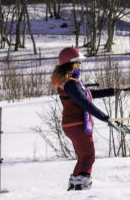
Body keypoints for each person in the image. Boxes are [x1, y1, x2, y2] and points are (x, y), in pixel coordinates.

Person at [51, 46, 120, 191]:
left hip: (72, 125)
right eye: (78, 62)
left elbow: (88, 94)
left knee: (83, 158)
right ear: (70, 64)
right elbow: (85, 103)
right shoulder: (70, 84)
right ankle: (80, 189)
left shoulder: (69, 83)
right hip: (78, 125)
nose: (80, 66)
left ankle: (75, 186)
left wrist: (112, 91)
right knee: (89, 157)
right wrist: (104, 117)